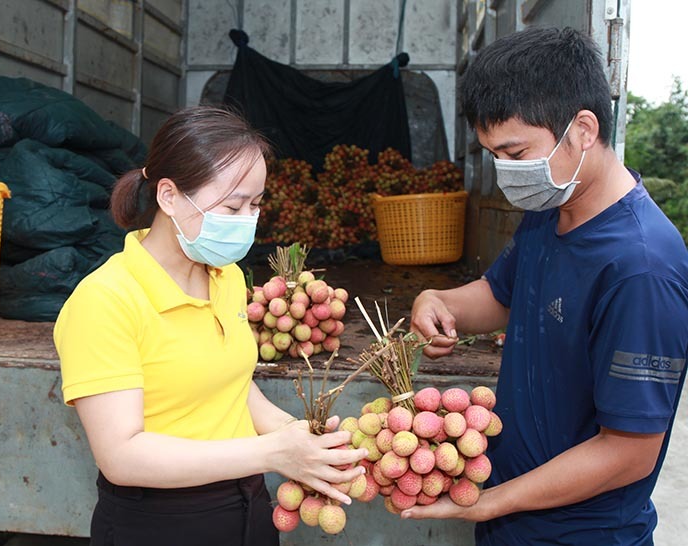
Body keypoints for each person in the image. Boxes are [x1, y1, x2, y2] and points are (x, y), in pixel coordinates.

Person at [403, 26, 688, 545]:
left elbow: (629, 451)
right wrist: (438, 301)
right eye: (492, 154)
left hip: (580, 534)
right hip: (510, 518)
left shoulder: (642, 268)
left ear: (582, 129)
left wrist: (489, 504)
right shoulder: (550, 206)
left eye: (516, 153)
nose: (505, 172)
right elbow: (501, 296)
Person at [53, 106, 367, 546]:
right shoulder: (105, 300)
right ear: (168, 196)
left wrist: (299, 438)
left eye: (255, 205)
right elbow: (121, 456)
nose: (246, 219)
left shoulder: (225, 276)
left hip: (249, 506)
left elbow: (232, 387)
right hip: (160, 523)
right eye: (232, 205)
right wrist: (273, 452)